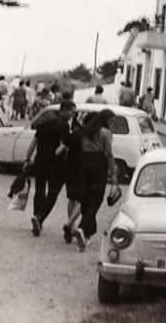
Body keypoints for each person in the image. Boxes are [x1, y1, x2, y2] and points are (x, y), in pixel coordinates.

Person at [63, 109, 118, 252]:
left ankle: (85, 232)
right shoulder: (105, 133)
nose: (112, 123)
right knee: (96, 199)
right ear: (106, 120)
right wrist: (113, 175)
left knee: (85, 197)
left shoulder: (86, 131)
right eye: (111, 120)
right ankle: (82, 228)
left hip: (85, 163)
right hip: (99, 163)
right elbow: (110, 154)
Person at [24, 100, 77, 237]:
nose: (72, 115)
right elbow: (63, 145)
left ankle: (37, 217)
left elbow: (33, 143)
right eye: (72, 111)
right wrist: (56, 155)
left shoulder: (43, 123)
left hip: (39, 160)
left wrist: (27, 159)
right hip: (55, 164)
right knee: (53, 193)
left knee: (40, 190)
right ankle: (40, 218)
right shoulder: (63, 126)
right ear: (64, 110)